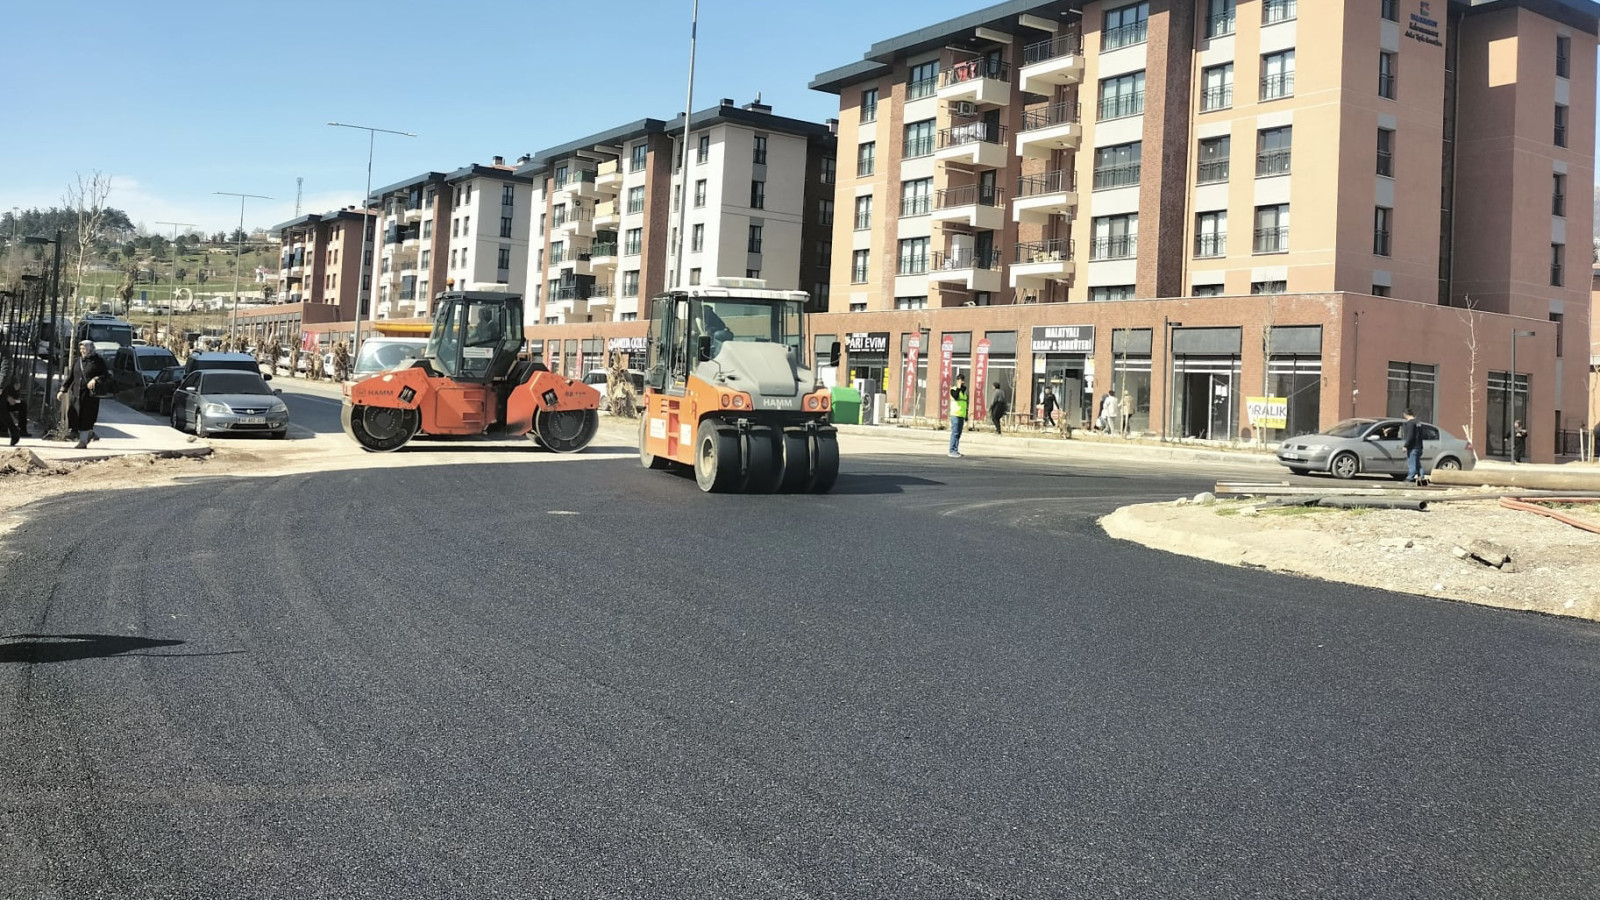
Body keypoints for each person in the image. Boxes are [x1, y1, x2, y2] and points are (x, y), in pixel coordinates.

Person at [59, 339, 110, 449]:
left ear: (90, 349)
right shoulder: (78, 361)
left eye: (85, 349)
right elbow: (71, 377)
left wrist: (96, 379)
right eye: (81, 349)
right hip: (76, 395)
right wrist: (63, 390)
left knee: (86, 417)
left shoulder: (98, 361)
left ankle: (83, 442)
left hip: (90, 396)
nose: (82, 351)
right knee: (73, 414)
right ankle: (87, 434)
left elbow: (106, 376)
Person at [0, 351, 23, 446]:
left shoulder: (4, 353)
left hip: (1, 387)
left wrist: (1, 386)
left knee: (1, 411)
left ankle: (14, 431)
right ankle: (14, 431)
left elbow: (6, 370)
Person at [1401, 408, 1426, 485]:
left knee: (1412, 463)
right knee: (1417, 463)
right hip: (1419, 446)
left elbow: (1410, 435)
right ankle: (1421, 477)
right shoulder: (1418, 423)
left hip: (1413, 447)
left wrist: (1406, 445)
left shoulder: (1410, 423)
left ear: (1405, 414)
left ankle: (1410, 477)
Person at [948, 373, 968, 458]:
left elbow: (965, 403)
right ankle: (952, 450)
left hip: (961, 415)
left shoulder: (964, 391)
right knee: (955, 433)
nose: (962, 382)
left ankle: (955, 450)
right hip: (955, 414)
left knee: (958, 434)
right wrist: (959, 388)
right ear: (957, 381)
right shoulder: (953, 389)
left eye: (963, 380)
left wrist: (966, 415)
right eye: (960, 380)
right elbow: (955, 397)